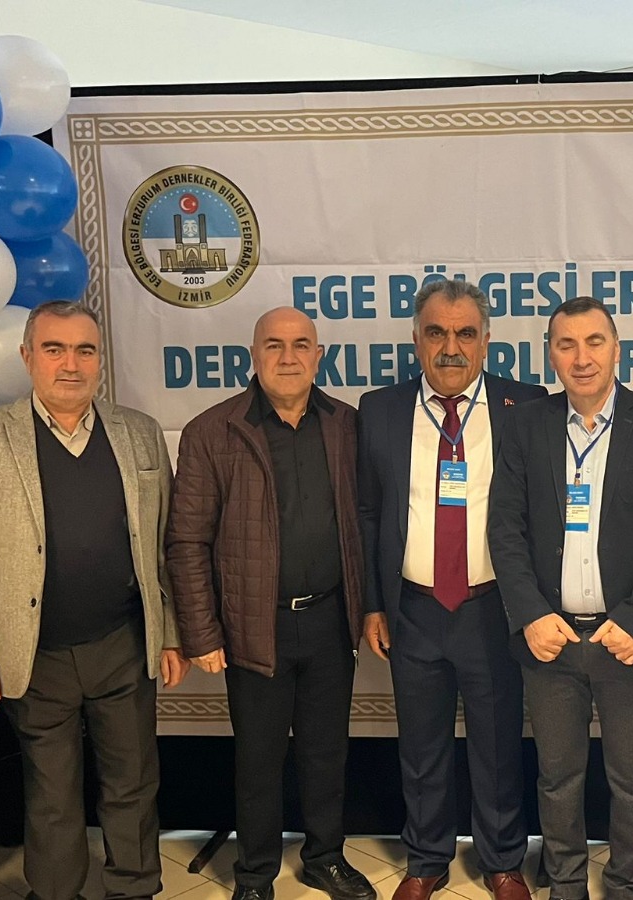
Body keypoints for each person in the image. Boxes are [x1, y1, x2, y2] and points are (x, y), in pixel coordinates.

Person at [0, 301, 184, 900]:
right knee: (51, 791)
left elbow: (164, 547)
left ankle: (134, 888)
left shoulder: (140, 432)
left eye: (84, 350)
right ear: (28, 357)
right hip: (33, 652)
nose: (70, 364)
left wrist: (172, 634)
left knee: (133, 780)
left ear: (99, 359)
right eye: (54, 349)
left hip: (124, 644)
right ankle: (55, 892)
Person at [489, 298, 633, 900]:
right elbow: (505, 529)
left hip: (627, 639)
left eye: (594, 342)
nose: (582, 358)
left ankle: (627, 884)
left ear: (617, 349)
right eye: (566, 345)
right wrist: (531, 615)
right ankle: (566, 885)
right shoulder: (525, 425)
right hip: (550, 639)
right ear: (550, 355)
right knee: (558, 779)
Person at [167, 307, 374, 900]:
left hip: (330, 619)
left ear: (319, 355)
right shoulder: (213, 431)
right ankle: (255, 874)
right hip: (254, 627)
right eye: (275, 345)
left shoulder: (346, 425)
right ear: (253, 355)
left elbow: (366, 520)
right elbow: (187, 541)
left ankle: (325, 858)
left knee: (326, 753)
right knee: (257, 759)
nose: (288, 357)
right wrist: (202, 633)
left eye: (301, 345)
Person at [357, 280, 545, 900]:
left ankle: (502, 860)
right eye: (436, 332)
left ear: (487, 341)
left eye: (466, 333)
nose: (450, 346)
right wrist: (374, 604)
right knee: (421, 744)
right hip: (413, 608)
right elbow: (368, 513)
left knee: (498, 742)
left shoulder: (526, 405)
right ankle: (426, 860)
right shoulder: (379, 409)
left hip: (492, 607)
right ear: (416, 339)